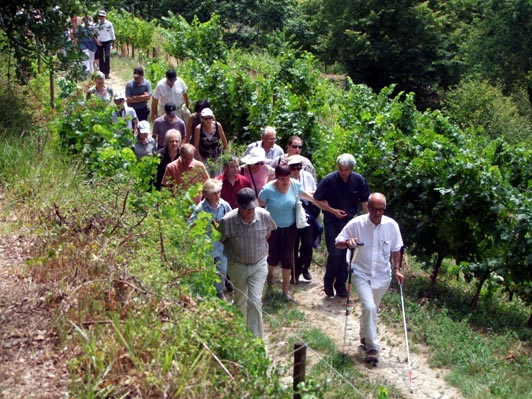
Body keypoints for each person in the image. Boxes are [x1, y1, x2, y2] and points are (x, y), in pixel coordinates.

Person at [335, 193, 404, 363]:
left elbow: (396, 249)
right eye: (375, 209)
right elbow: (338, 242)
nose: (378, 213)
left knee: (371, 309)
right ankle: (372, 348)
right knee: (369, 307)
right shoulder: (357, 223)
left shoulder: (391, 225)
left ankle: (364, 336)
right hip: (360, 272)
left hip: (382, 275)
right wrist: (348, 242)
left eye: (381, 209)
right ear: (368, 208)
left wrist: (397, 269)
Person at [219, 188, 277, 338]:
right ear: (239, 207)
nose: (250, 212)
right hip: (237, 265)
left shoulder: (264, 216)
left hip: (259, 264)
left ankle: (256, 341)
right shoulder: (227, 221)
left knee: (254, 301)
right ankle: (239, 336)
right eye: (246, 209)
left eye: (252, 208)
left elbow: (269, 232)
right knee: (240, 301)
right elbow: (222, 240)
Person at [313, 153, 371, 298]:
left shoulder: (359, 180)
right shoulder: (329, 180)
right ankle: (328, 281)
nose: (343, 172)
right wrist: (332, 210)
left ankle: (341, 285)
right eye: (341, 169)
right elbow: (317, 199)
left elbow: (365, 201)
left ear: (351, 169)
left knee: (348, 254)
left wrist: (369, 220)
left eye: (346, 169)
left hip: (350, 222)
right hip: (332, 220)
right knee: (335, 253)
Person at [259, 164, 319, 301]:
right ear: (276, 177)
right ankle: (270, 273)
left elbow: (307, 196)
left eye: (287, 178)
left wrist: (326, 207)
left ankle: (285, 292)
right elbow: (259, 206)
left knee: (287, 257)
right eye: (282, 179)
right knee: (273, 257)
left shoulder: (295, 185)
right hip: (273, 228)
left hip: (291, 227)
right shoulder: (267, 190)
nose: (285, 181)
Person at [188, 179, 232, 299]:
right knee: (206, 272)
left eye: (218, 192)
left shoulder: (224, 205)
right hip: (206, 247)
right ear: (206, 194)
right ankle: (206, 295)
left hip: (221, 246)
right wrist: (197, 224)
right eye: (214, 193)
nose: (217, 195)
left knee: (222, 271)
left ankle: (219, 291)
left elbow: (232, 220)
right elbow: (189, 225)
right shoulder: (200, 209)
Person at [287, 155, 321, 284]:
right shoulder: (285, 178)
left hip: (307, 211)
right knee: (293, 244)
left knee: (307, 243)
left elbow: (314, 194)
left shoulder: (307, 176)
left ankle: (304, 266)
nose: (296, 171)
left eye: (299, 167)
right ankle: (293, 274)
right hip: (290, 212)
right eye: (293, 168)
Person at [193, 108, 228, 176]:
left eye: (210, 118)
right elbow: (196, 146)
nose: (208, 120)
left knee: (217, 176)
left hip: (217, 155)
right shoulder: (198, 129)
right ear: (202, 119)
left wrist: (226, 155)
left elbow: (224, 140)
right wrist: (200, 160)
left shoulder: (218, 126)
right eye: (206, 118)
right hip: (204, 156)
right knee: (206, 176)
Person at [94, 10, 115, 79]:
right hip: (99, 42)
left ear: (104, 16)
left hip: (107, 41)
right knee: (100, 57)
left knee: (107, 56)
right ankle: (102, 72)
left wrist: (113, 42)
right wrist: (97, 41)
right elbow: (94, 34)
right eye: (100, 16)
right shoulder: (96, 24)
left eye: (102, 16)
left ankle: (107, 73)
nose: (101, 18)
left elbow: (112, 33)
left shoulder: (109, 24)